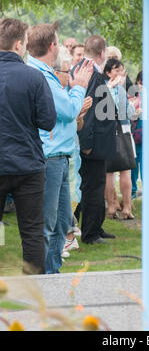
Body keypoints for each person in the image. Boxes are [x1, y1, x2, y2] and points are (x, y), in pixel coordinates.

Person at [27, 22, 93, 274]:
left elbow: (69, 113)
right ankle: (45, 276)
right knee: (48, 223)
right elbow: (66, 110)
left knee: (63, 221)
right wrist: (78, 89)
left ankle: (53, 272)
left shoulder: (46, 74)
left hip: (61, 156)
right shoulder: (41, 75)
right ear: (53, 45)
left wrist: (73, 95)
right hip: (50, 157)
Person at [0, 18, 57, 274]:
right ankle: (36, 295)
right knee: (32, 233)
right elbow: (47, 121)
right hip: (27, 164)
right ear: (19, 44)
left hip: (15, 160)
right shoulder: (33, 77)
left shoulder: (32, 76)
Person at [74, 35, 117, 244]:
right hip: (91, 145)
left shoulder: (84, 69)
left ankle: (96, 227)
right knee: (92, 188)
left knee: (96, 186)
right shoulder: (90, 73)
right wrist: (87, 144)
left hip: (95, 143)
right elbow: (87, 109)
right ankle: (90, 233)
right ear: (102, 53)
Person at [103, 58, 136, 220]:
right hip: (123, 131)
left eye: (121, 70)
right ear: (108, 72)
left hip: (107, 133)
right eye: (116, 70)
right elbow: (128, 113)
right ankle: (127, 208)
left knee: (109, 172)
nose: (120, 73)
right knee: (125, 170)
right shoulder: (120, 90)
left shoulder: (102, 88)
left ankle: (111, 206)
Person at [130, 70, 143, 200]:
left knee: (145, 165)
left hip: (145, 135)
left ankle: (146, 190)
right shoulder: (132, 95)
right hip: (135, 133)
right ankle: (133, 190)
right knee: (133, 164)